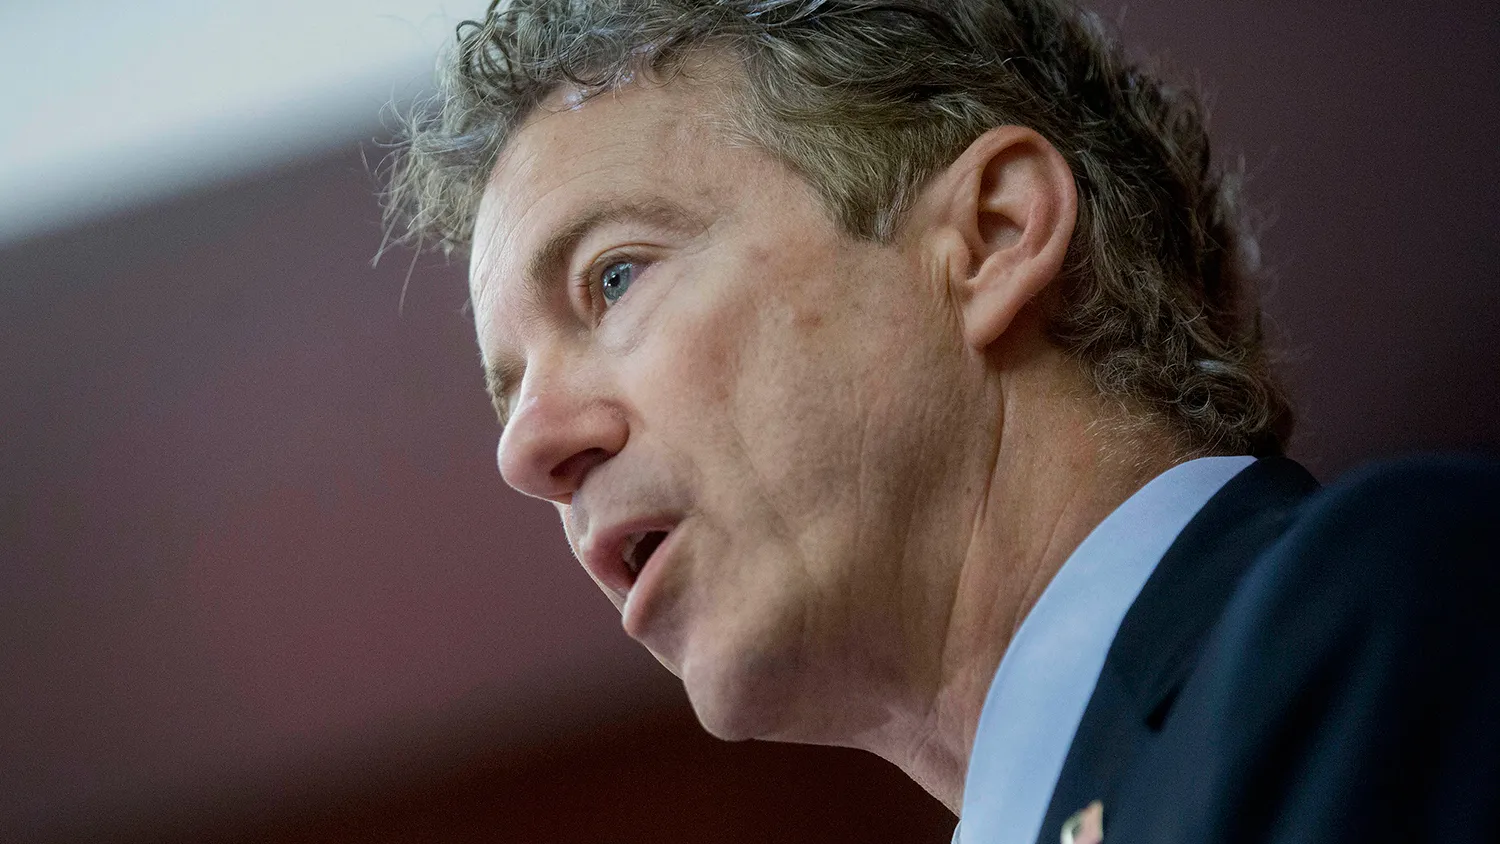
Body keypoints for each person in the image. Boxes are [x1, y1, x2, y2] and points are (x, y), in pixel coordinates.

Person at [381, 1, 1500, 841]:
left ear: (993, 236)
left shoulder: (1389, 612)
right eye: (511, 388)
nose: (527, 450)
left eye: (615, 278)